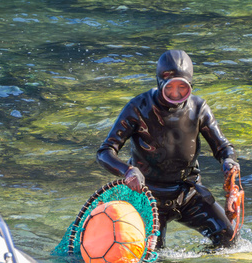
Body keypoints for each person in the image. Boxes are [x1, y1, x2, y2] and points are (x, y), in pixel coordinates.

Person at [96, 50, 240, 250]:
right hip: (147, 194)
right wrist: (127, 171)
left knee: (229, 239)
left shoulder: (198, 108)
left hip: (188, 190)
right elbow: (105, 151)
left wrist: (229, 161)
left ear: (190, 86)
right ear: (159, 83)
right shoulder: (138, 107)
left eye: (183, 87)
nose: (176, 94)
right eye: (170, 87)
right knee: (154, 256)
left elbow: (223, 147)